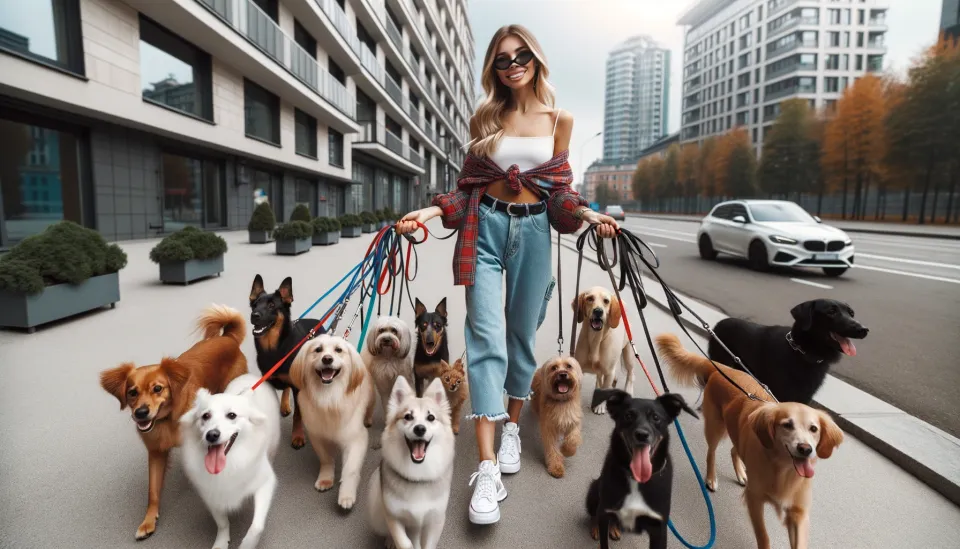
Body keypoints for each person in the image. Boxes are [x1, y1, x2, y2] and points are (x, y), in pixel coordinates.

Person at [396, 24, 619, 525]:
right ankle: (488, 465)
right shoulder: (485, 116)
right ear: (493, 69)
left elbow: (560, 192)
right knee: (485, 339)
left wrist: (589, 216)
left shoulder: (560, 119)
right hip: (486, 228)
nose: (512, 64)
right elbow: (466, 188)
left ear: (536, 60)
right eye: (502, 59)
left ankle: (513, 427)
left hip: (536, 232)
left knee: (521, 337)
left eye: (520, 56)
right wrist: (429, 215)